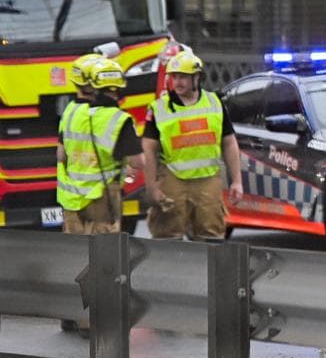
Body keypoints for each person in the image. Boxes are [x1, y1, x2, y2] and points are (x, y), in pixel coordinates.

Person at [142, 51, 243, 240]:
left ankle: (208, 270)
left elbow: (229, 143)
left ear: (197, 77)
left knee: (211, 235)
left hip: (208, 181)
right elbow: (148, 149)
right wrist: (152, 187)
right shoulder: (159, 108)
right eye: (174, 77)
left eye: (183, 77)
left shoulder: (215, 104)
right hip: (173, 180)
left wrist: (236, 181)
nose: (178, 82)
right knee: (167, 236)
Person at [56, 58, 144, 235]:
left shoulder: (71, 112)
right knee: (104, 254)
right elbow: (138, 162)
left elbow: (61, 156)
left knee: (75, 255)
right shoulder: (118, 119)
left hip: (71, 198)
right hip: (102, 198)